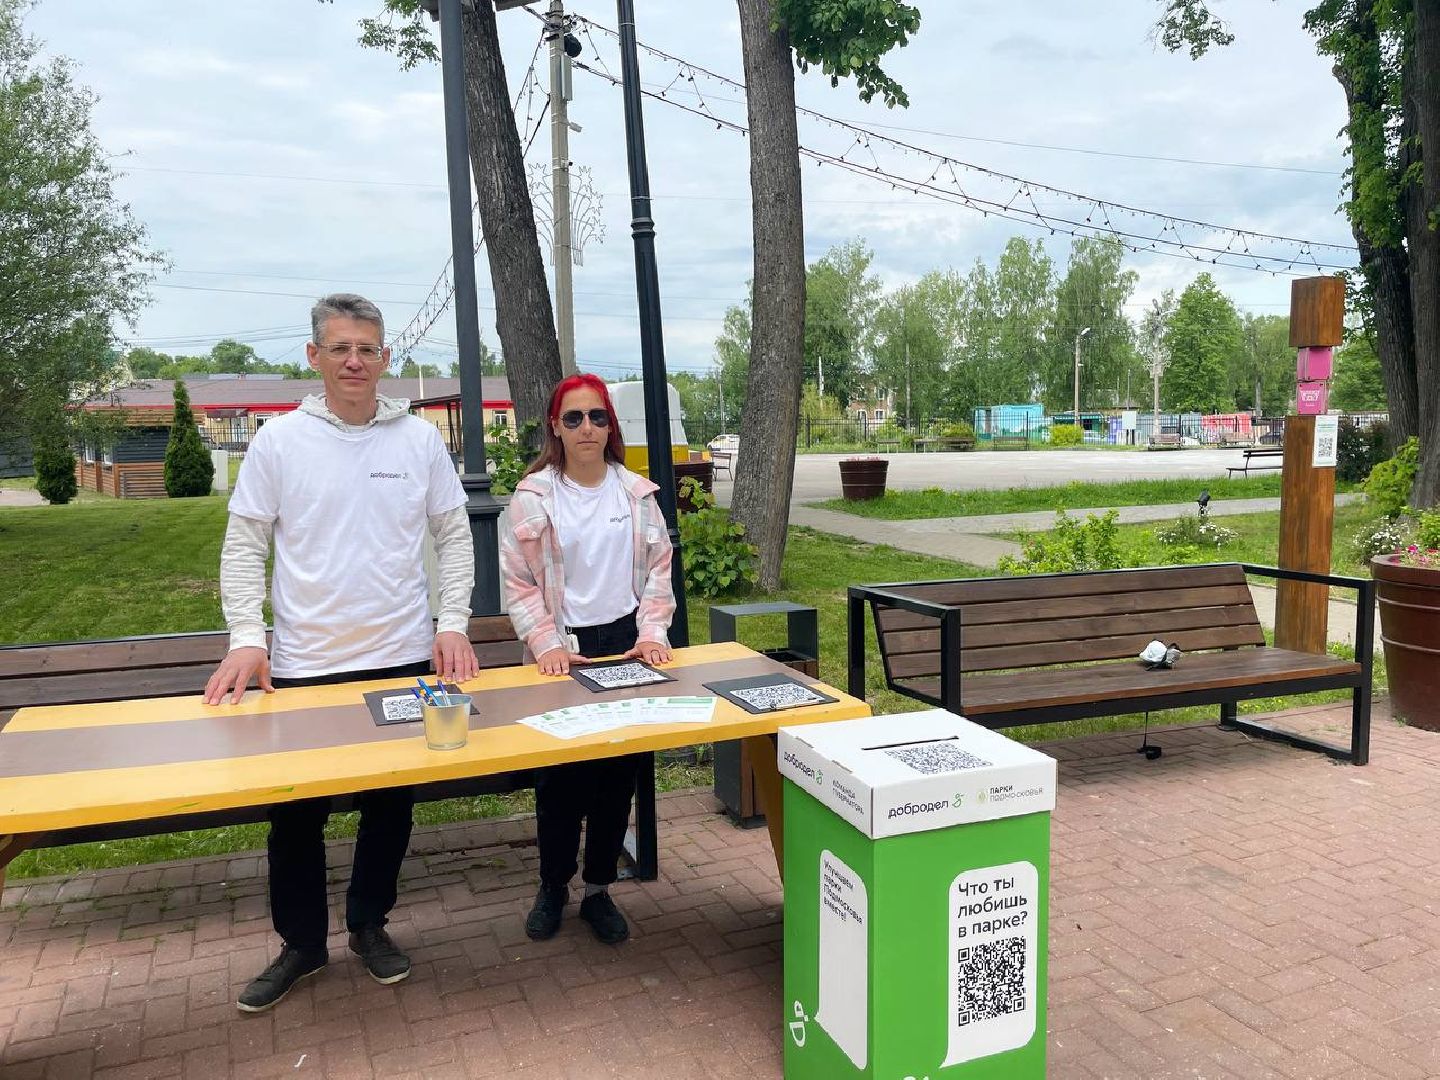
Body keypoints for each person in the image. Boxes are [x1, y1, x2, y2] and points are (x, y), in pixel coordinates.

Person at [203, 293, 480, 1013]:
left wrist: (452, 622)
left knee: (390, 805)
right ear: (314, 356)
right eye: (340, 348)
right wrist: (248, 638)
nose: (354, 361)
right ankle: (301, 944)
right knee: (295, 814)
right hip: (305, 665)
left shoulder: (417, 441)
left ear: (384, 358)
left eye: (367, 349)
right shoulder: (279, 442)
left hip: (401, 656)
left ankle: (369, 923)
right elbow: (244, 546)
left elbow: (454, 537)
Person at [500, 373, 675, 945]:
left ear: (610, 426)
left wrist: (652, 632)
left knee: (616, 777)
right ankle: (553, 886)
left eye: (597, 417)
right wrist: (545, 643)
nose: (586, 428)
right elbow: (519, 584)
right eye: (573, 418)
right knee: (559, 780)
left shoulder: (637, 495)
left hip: (623, 644)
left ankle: (598, 888)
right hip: (564, 650)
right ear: (556, 426)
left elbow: (659, 571)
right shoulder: (533, 498)